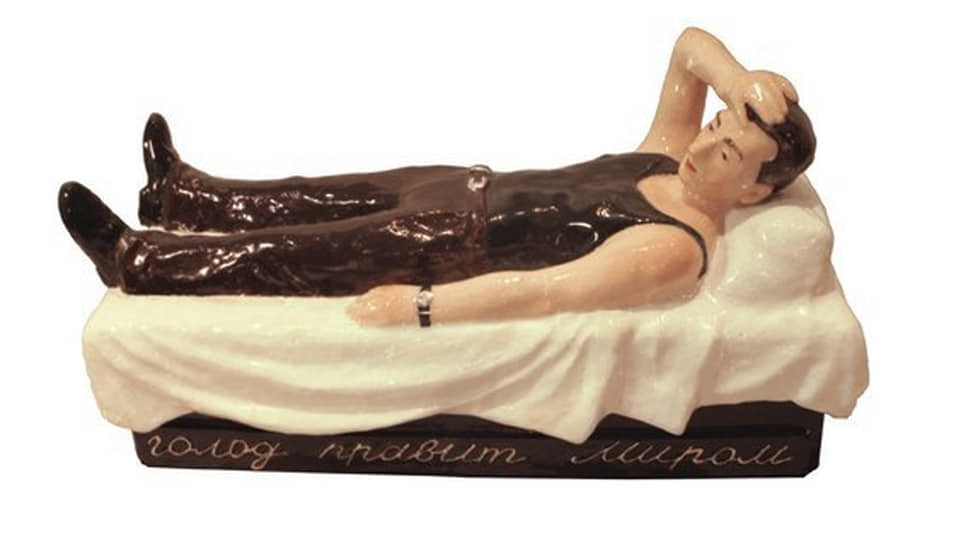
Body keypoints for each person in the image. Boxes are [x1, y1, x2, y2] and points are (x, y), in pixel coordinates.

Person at [58, 27, 815, 326]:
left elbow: (549, 293)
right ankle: (184, 196)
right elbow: (688, 48)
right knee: (311, 193)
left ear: (753, 191)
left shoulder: (673, 246)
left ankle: (137, 260)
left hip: (454, 240)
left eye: (728, 154)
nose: (703, 146)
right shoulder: (665, 154)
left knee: (298, 252)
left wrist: (421, 308)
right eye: (718, 124)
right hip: (461, 185)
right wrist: (740, 79)